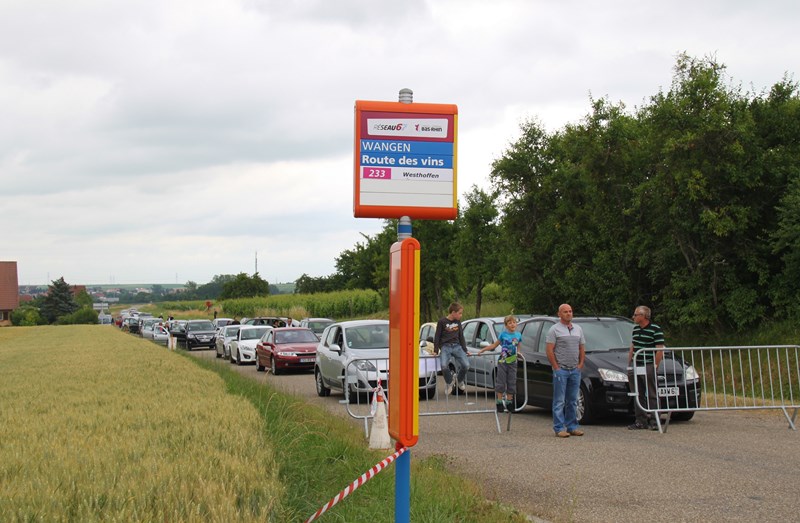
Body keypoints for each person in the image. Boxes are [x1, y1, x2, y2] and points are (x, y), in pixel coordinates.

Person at [546, 304, 586, 438]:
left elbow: (581, 348)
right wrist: (556, 367)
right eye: (565, 312)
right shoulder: (554, 330)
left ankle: (572, 426)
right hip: (561, 370)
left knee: (572, 400)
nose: (569, 314)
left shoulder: (578, 329)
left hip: (575, 370)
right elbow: (549, 350)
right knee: (559, 401)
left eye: (570, 311)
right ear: (559, 314)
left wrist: (580, 364)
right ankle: (558, 428)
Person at [627, 305, 665, 430]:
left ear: (643, 316)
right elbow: (633, 346)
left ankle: (655, 421)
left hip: (648, 364)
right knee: (637, 393)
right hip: (637, 364)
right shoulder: (635, 329)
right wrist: (629, 363)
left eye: (636, 315)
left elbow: (659, 350)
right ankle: (640, 420)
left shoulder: (655, 329)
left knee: (652, 393)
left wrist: (655, 366)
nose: (633, 317)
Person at [474, 315, 521, 413]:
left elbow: (518, 346)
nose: (512, 324)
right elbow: (494, 345)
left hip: (513, 362)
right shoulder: (503, 335)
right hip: (503, 361)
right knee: (501, 382)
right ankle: (499, 402)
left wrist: (519, 353)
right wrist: (483, 350)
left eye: (514, 322)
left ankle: (509, 402)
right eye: (510, 323)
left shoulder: (518, 335)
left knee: (512, 382)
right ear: (506, 325)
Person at [433, 302, 471, 395]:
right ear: (453, 312)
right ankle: (449, 382)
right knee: (444, 366)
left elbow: (461, 336)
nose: (461, 315)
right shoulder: (442, 322)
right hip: (446, 347)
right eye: (460, 313)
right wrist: (435, 350)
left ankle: (460, 380)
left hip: (457, 346)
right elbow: (437, 336)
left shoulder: (458, 322)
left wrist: (465, 350)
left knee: (466, 365)